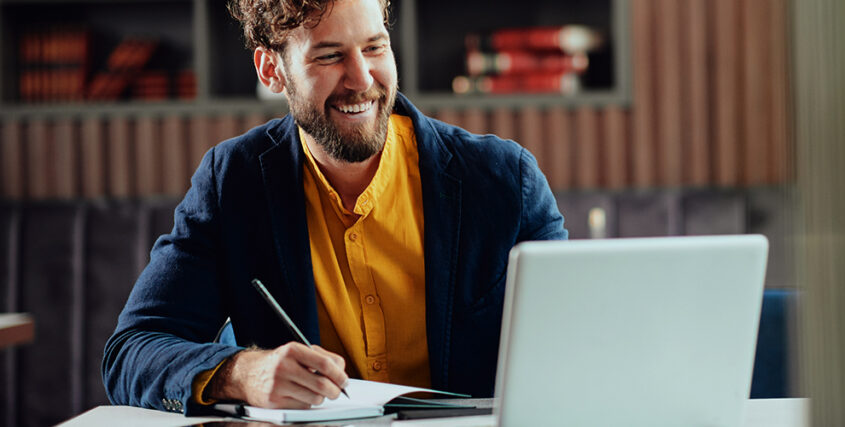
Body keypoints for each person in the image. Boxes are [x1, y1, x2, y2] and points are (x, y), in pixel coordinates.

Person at [101, 0, 566, 415]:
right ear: (271, 70)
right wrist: (243, 374)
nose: (362, 79)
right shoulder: (233, 182)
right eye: (329, 55)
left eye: (375, 48)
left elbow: (579, 348)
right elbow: (131, 352)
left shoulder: (506, 180)